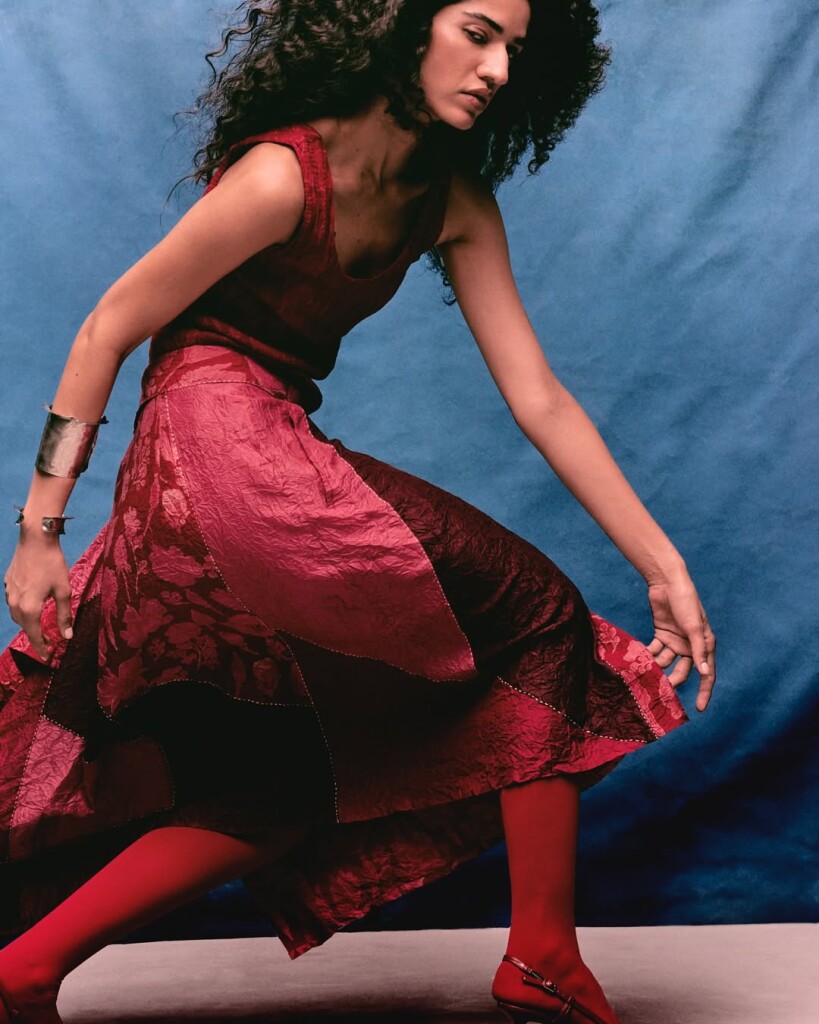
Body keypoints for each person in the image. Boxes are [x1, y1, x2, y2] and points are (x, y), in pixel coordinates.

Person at [0, 1, 716, 1022]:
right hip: (215, 443)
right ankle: (543, 955)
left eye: (517, 50)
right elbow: (108, 326)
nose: (497, 69)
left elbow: (539, 397)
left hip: (227, 467)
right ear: (397, 23)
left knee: (283, 781)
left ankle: (24, 970)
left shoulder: (453, 198)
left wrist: (662, 565)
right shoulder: (282, 175)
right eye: (477, 32)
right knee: (540, 620)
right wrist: (40, 532)